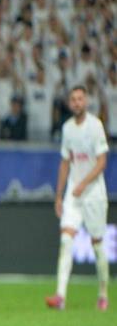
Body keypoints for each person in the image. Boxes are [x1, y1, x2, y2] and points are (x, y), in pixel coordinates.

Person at [46, 86, 109, 311]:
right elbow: (65, 163)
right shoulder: (67, 128)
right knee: (66, 240)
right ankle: (60, 296)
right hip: (73, 193)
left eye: (80, 98)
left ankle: (103, 294)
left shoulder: (95, 126)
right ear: (69, 103)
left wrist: (84, 184)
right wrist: (59, 195)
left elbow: (102, 162)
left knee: (98, 245)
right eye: (73, 99)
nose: (76, 102)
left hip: (93, 194)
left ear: (86, 101)